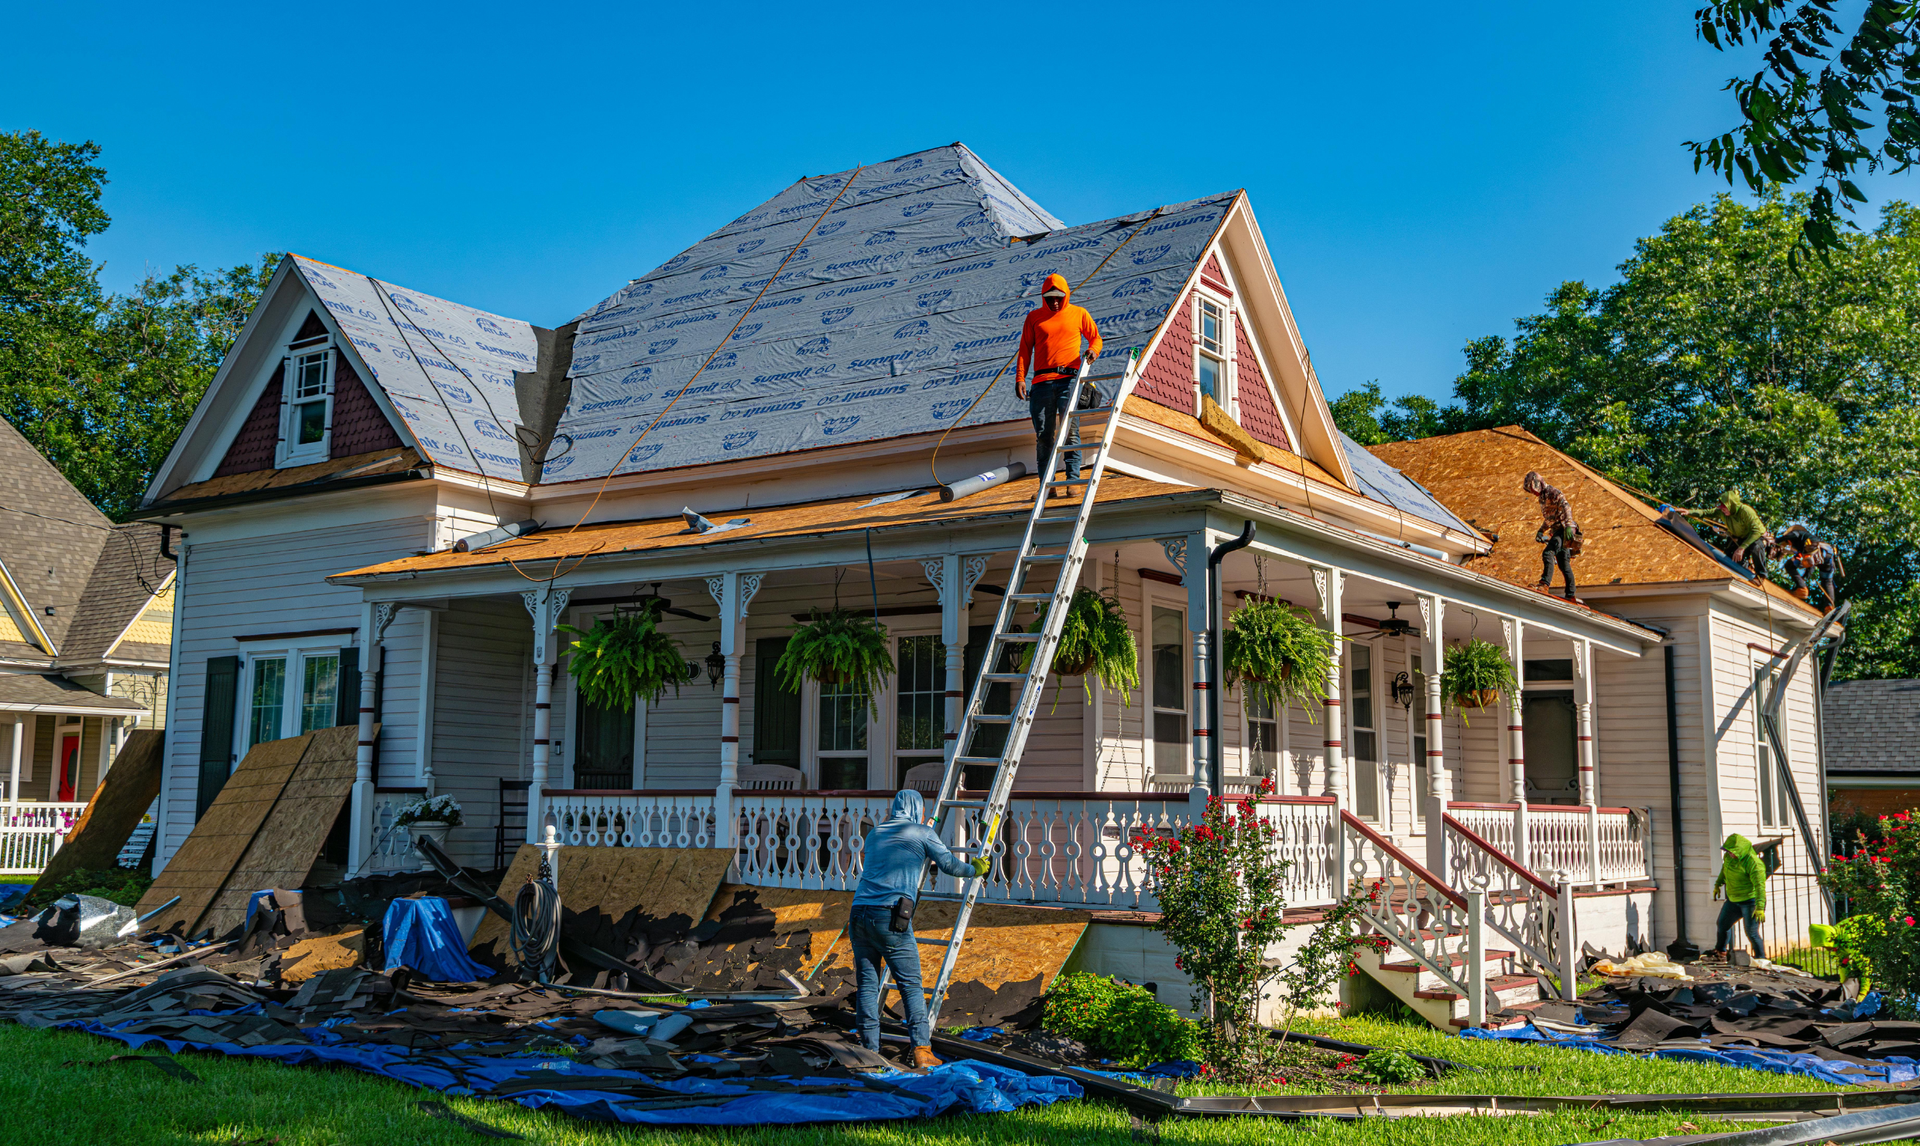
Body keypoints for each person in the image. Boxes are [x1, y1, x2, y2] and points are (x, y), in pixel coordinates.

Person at [849, 789, 989, 1069]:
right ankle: (923, 1052)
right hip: (889, 916)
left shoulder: (876, 833)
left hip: (858, 913)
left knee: (867, 984)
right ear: (916, 809)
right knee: (911, 985)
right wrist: (975, 869)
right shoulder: (922, 833)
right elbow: (949, 865)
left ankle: (869, 1052)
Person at [1014, 273, 1102, 497]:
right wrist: (1020, 378)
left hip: (1068, 379)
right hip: (1041, 383)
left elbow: (1096, 338)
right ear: (1044, 297)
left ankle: (1072, 480)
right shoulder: (1034, 317)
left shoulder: (1078, 313)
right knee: (1044, 435)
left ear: (1065, 296)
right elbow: (1025, 350)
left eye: (1058, 297)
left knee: (1070, 431)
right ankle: (1046, 486)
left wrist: (1093, 351)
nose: (1054, 301)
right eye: (1050, 297)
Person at [1710, 833, 1768, 960]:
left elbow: (1759, 886)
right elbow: (1724, 870)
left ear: (1741, 851)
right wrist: (1718, 884)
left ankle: (1761, 959)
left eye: (1734, 852)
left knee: (1751, 932)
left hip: (1750, 901)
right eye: (1729, 851)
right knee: (1722, 925)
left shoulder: (1754, 863)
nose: (1731, 854)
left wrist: (1759, 907)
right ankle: (1720, 952)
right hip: (1733, 900)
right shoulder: (1729, 857)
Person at [1523, 470, 1579, 601]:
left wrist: (1569, 526)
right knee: (1563, 563)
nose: (1533, 492)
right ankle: (1571, 595)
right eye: (1530, 490)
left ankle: (1544, 584)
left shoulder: (1552, 492)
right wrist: (1541, 530)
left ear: (1538, 483)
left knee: (1548, 553)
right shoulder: (1542, 499)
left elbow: (1566, 506)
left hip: (1563, 530)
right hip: (1556, 530)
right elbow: (1549, 518)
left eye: (1532, 488)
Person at [1689, 491, 1769, 580]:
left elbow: (1756, 531)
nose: (1722, 510)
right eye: (1722, 508)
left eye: (1724, 508)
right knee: (1731, 559)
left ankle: (1761, 575)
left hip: (1754, 536)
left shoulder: (1746, 511)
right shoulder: (1722, 512)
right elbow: (1705, 513)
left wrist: (1742, 548)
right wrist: (1689, 512)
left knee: (1756, 547)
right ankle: (1743, 573)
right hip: (1739, 538)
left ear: (1731, 506)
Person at [1776, 522, 1844, 607]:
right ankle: (1829, 606)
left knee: (1789, 565)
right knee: (1827, 581)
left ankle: (1801, 589)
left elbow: (1792, 535)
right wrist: (1803, 581)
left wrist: (1776, 540)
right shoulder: (1804, 543)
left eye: (1788, 543)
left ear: (1789, 541)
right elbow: (1810, 568)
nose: (1790, 545)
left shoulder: (1797, 534)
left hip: (1813, 550)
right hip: (1827, 556)